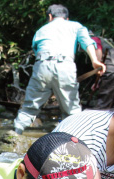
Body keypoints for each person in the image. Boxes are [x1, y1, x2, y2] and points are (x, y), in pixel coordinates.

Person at [13, 4, 106, 134]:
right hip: (65, 66)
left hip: (42, 65)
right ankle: (75, 138)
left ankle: (15, 133)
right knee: (71, 109)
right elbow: (87, 42)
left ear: (50, 17)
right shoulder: (76, 26)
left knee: (30, 106)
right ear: (66, 18)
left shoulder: (41, 30)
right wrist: (95, 61)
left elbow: (36, 50)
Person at [89, 34, 114, 109]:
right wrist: (99, 81)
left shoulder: (93, 40)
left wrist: (99, 78)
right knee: (110, 104)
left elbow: (99, 62)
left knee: (102, 106)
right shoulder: (105, 41)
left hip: (111, 73)